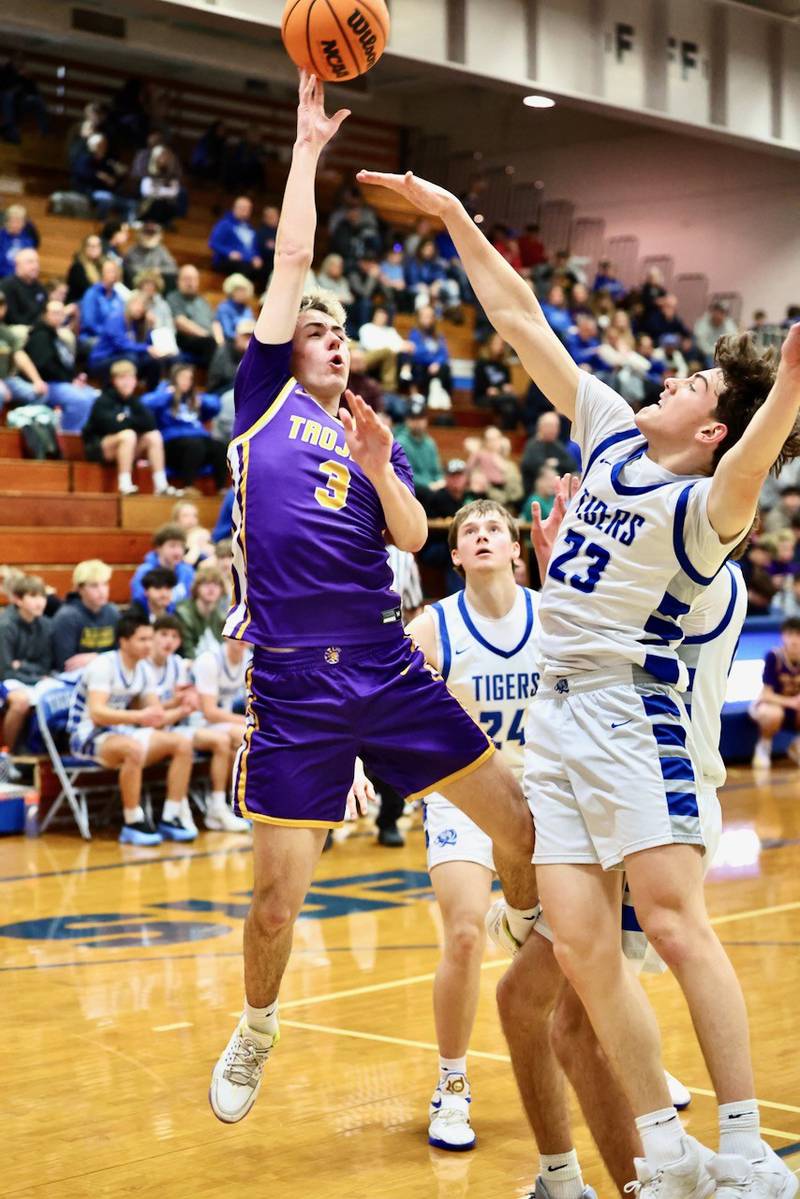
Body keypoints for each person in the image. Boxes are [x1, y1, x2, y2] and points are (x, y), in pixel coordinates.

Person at [359, 162, 800, 1197]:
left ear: (708, 433)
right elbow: (518, 319)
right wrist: (458, 219)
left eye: (693, 385)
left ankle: (741, 1139)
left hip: (629, 710)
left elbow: (748, 458)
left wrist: (782, 393)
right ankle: (666, 1139)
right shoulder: (605, 433)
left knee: (673, 913)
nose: (673, 376)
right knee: (585, 947)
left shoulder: (707, 509)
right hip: (551, 724)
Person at [209, 73, 537, 1128]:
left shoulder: (367, 436)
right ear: (281, 350)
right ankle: (256, 1026)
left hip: (386, 664)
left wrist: (387, 468)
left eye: (339, 335)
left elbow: (408, 538)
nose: (331, 339)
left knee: (521, 824)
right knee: (274, 902)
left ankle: (540, 956)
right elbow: (293, 258)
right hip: (296, 680)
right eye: (315, 332)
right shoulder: (260, 406)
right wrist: (305, 149)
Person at [494, 491, 748, 1199]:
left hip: (652, 799)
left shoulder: (696, 576)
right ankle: (574, 1177)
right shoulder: (670, 570)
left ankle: (669, 1168)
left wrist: (573, 578)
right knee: (528, 1003)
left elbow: (605, 654)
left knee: (570, 1025)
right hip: (621, 792)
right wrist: (565, 578)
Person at [403, 499, 540, 1151]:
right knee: (462, 935)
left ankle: (623, 1053)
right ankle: (451, 1085)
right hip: (463, 797)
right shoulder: (433, 627)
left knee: (578, 941)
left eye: (494, 528)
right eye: (468, 531)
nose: (481, 536)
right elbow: (389, 708)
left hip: (545, 798)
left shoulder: (554, 614)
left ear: (517, 548)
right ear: (454, 555)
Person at [66, 610, 196, 845]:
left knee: (182, 744)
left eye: (150, 638)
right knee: (133, 749)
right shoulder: (103, 665)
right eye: (142, 639)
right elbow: (97, 714)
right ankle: (132, 820)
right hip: (87, 734)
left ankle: (171, 815)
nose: (149, 644)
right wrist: (139, 716)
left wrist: (182, 707)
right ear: (124, 641)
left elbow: (155, 714)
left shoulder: (143, 668)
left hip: (120, 731)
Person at [143, 615, 249, 835]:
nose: (168, 641)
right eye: (163, 635)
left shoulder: (178, 665)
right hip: (191, 723)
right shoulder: (208, 661)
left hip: (188, 724)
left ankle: (229, 804)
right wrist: (248, 721)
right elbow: (208, 712)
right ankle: (218, 806)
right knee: (239, 736)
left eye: (174, 636)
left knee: (238, 740)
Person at [81, 359, 173, 496]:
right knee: (128, 435)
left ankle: (161, 485)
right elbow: (111, 426)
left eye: (130, 378)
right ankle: (125, 485)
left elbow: (150, 423)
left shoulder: (133, 401)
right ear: (114, 380)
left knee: (154, 436)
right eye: (122, 378)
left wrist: (125, 419)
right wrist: (131, 422)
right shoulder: (103, 400)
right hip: (99, 448)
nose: (127, 382)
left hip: (127, 447)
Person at [14, 298, 100, 432]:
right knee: (80, 400)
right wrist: (69, 380)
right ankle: (68, 437)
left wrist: (76, 377)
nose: (58, 316)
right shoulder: (40, 336)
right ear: (44, 315)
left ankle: (83, 437)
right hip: (48, 384)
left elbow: (64, 364)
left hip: (61, 381)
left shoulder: (56, 336)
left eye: (61, 313)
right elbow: (44, 367)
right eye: (54, 313)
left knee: (94, 396)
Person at [142, 363, 228, 490]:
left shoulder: (194, 398)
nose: (186, 381)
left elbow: (216, 406)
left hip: (197, 439)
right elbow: (145, 404)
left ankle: (221, 489)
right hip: (172, 443)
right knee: (194, 445)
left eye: (190, 378)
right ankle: (189, 486)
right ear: (174, 378)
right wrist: (168, 395)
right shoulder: (164, 393)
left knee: (220, 447)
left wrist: (200, 400)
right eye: (183, 377)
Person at [0, 576, 57, 744]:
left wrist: (22, 666)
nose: (40, 602)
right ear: (18, 600)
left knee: (57, 695)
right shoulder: (5, 626)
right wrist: (36, 676)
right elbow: (5, 670)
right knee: (20, 702)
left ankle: (39, 749)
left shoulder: (46, 625)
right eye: (33, 596)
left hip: (31, 678)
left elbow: (45, 665)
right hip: (5, 680)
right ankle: (7, 754)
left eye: (42, 596)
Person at [89, 291, 173, 388]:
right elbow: (121, 345)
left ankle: (152, 394)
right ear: (129, 304)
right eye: (137, 304)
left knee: (154, 361)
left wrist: (150, 327)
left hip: (126, 357)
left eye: (144, 306)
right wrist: (146, 348)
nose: (140, 308)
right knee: (130, 358)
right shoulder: (116, 318)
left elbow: (148, 343)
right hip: (102, 360)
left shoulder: (139, 322)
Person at [749, 617, 800, 769]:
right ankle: (764, 746)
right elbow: (766, 695)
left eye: (798, 635)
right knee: (773, 714)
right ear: (783, 636)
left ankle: (796, 745)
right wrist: (792, 702)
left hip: (794, 709)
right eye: (790, 635)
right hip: (769, 705)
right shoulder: (774, 656)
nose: (794, 640)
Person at [51, 559, 119, 672]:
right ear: (80, 589)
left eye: (105, 584)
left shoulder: (113, 612)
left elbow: (123, 654)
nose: (102, 591)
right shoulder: (66, 617)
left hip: (108, 672)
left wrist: (97, 658)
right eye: (94, 586)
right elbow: (66, 664)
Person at [207, 318, 254, 441]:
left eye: (251, 336)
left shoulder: (255, 354)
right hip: (220, 391)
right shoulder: (224, 350)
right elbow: (228, 376)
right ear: (236, 336)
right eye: (245, 336)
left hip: (243, 393)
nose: (248, 340)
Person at [167, 264, 223, 367]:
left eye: (193, 279)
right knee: (210, 343)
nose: (190, 283)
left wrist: (221, 342)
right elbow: (180, 322)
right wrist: (205, 334)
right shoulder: (173, 297)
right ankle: (214, 381)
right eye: (186, 279)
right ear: (178, 281)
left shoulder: (203, 301)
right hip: (188, 338)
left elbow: (215, 322)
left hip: (208, 340)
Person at [131, 524, 194, 612]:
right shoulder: (145, 571)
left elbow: (192, 602)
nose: (178, 552)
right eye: (172, 546)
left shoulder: (187, 571)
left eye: (181, 546)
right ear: (158, 548)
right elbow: (139, 601)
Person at [520, 411, 579, 494]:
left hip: (559, 491)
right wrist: (550, 465)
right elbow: (537, 467)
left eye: (556, 427)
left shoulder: (557, 445)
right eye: (550, 426)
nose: (554, 430)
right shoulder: (532, 446)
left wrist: (556, 463)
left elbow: (571, 465)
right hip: (536, 494)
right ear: (540, 427)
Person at [0, 247, 47, 348]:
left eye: (37, 262)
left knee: (65, 335)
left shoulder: (41, 288)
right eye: (30, 262)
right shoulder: (7, 285)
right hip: (13, 327)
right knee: (24, 333)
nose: (35, 266)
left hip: (37, 327)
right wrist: (33, 327)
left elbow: (44, 313)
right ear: (17, 265)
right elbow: (9, 317)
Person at [393, 396, 444, 488]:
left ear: (426, 420)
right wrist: (428, 485)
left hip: (433, 489)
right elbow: (404, 474)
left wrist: (440, 481)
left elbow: (437, 472)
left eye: (420, 418)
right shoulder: (400, 443)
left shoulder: (430, 443)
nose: (417, 423)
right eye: (413, 418)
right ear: (407, 420)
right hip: (412, 490)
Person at [175, 566, 226, 657]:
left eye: (216, 584)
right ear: (196, 587)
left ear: (222, 590)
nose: (211, 588)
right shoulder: (183, 613)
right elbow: (188, 653)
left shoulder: (221, 616)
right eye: (206, 583)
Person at [473, 334, 522, 429]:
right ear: (490, 344)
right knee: (512, 400)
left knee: (509, 408)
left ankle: (508, 434)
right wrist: (492, 390)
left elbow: (507, 383)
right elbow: (480, 387)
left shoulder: (504, 365)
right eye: (498, 343)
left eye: (502, 344)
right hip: (483, 397)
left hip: (501, 397)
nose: (500, 346)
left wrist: (506, 388)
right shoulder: (481, 363)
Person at [209, 196, 263, 280]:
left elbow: (254, 249)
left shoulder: (250, 229)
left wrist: (256, 257)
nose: (246, 211)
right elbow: (213, 243)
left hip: (247, 262)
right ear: (235, 208)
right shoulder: (225, 224)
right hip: (226, 261)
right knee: (244, 268)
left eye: (248, 209)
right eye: (243, 208)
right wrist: (229, 252)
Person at [407, 305, 453, 401]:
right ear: (419, 318)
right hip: (421, 367)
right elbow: (416, 353)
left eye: (430, 316)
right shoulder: (414, 333)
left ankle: (445, 398)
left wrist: (437, 363)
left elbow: (444, 354)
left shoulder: (438, 335)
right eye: (424, 316)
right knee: (417, 366)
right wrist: (432, 359)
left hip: (434, 368)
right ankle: (423, 397)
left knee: (445, 368)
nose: (427, 319)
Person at [79, 258, 128, 343]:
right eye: (109, 271)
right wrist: (108, 334)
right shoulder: (92, 293)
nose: (113, 274)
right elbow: (89, 323)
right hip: (92, 337)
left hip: (112, 338)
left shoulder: (118, 296)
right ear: (102, 273)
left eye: (115, 271)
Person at [123, 223, 178, 293]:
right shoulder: (132, 250)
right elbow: (130, 269)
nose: (149, 236)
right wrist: (150, 272)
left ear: (158, 236)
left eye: (152, 234)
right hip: (136, 285)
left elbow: (173, 268)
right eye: (146, 233)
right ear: (140, 234)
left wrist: (159, 270)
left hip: (156, 285)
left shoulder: (161, 250)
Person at [65, 233, 104, 305]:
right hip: (79, 305)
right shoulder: (78, 267)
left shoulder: (101, 266)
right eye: (91, 246)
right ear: (84, 248)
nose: (95, 249)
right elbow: (87, 291)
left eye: (98, 246)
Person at [0, 204, 38, 277]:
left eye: (18, 222)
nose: (15, 225)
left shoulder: (27, 240)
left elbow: (29, 263)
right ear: (7, 222)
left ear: (23, 223)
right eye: (12, 221)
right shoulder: (1, 236)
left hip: (20, 279)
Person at [215, 274, 255, 342]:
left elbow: (253, 328)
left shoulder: (247, 309)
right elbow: (228, 333)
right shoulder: (224, 308)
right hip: (231, 345)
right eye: (240, 290)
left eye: (245, 290)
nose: (244, 293)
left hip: (247, 343)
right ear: (232, 291)